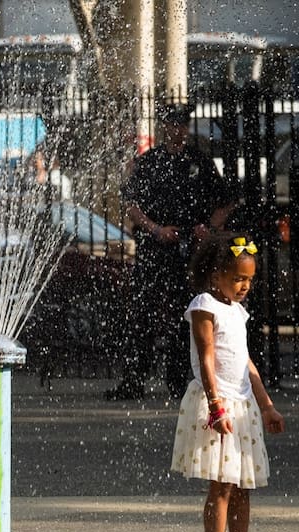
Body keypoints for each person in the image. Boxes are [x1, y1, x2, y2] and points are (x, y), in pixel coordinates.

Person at [171, 234, 285, 532]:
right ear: (216, 273)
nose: (245, 286)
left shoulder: (238, 311)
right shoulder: (204, 304)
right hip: (218, 404)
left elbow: (247, 363)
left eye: (249, 280)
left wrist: (266, 405)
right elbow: (207, 357)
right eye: (238, 278)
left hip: (243, 405)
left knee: (242, 487)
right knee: (220, 486)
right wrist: (216, 404)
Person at [108, 102, 240, 401]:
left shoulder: (199, 161)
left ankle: (179, 380)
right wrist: (156, 229)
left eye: (182, 124)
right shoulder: (150, 162)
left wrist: (206, 228)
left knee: (186, 314)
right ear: (164, 127)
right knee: (142, 314)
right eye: (172, 124)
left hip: (188, 251)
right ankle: (133, 380)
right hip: (155, 248)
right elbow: (131, 204)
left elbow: (227, 201)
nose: (177, 130)